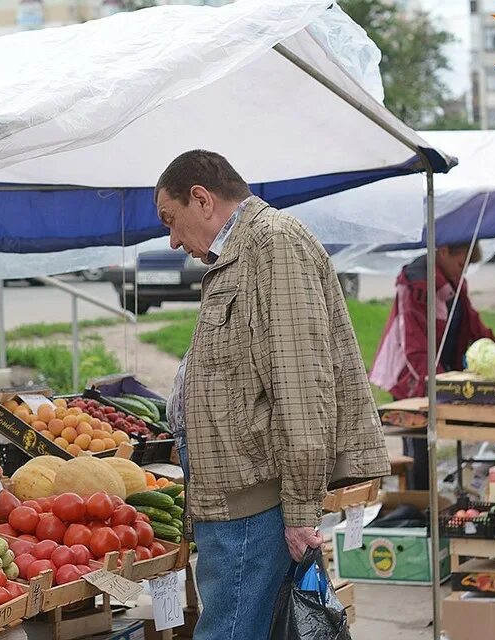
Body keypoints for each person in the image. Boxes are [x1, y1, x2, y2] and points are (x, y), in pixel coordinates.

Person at [159, 149, 390, 638]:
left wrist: (302, 509)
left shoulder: (273, 244)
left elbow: (303, 385)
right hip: (236, 505)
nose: (174, 239)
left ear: (201, 199)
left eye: (171, 219)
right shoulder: (244, 253)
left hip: (255, 509)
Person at [370, 243, 495, 490]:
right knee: (418, 450)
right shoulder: (415, 285)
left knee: (431, 443)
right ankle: (417, 507)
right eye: (461, 265)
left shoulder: (455, 282)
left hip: (437, 373)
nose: (463, 273)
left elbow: (473, 324)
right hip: (410, 378)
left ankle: (429, 503)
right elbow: (415, 345)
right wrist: (438, 384)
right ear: (443, 252)